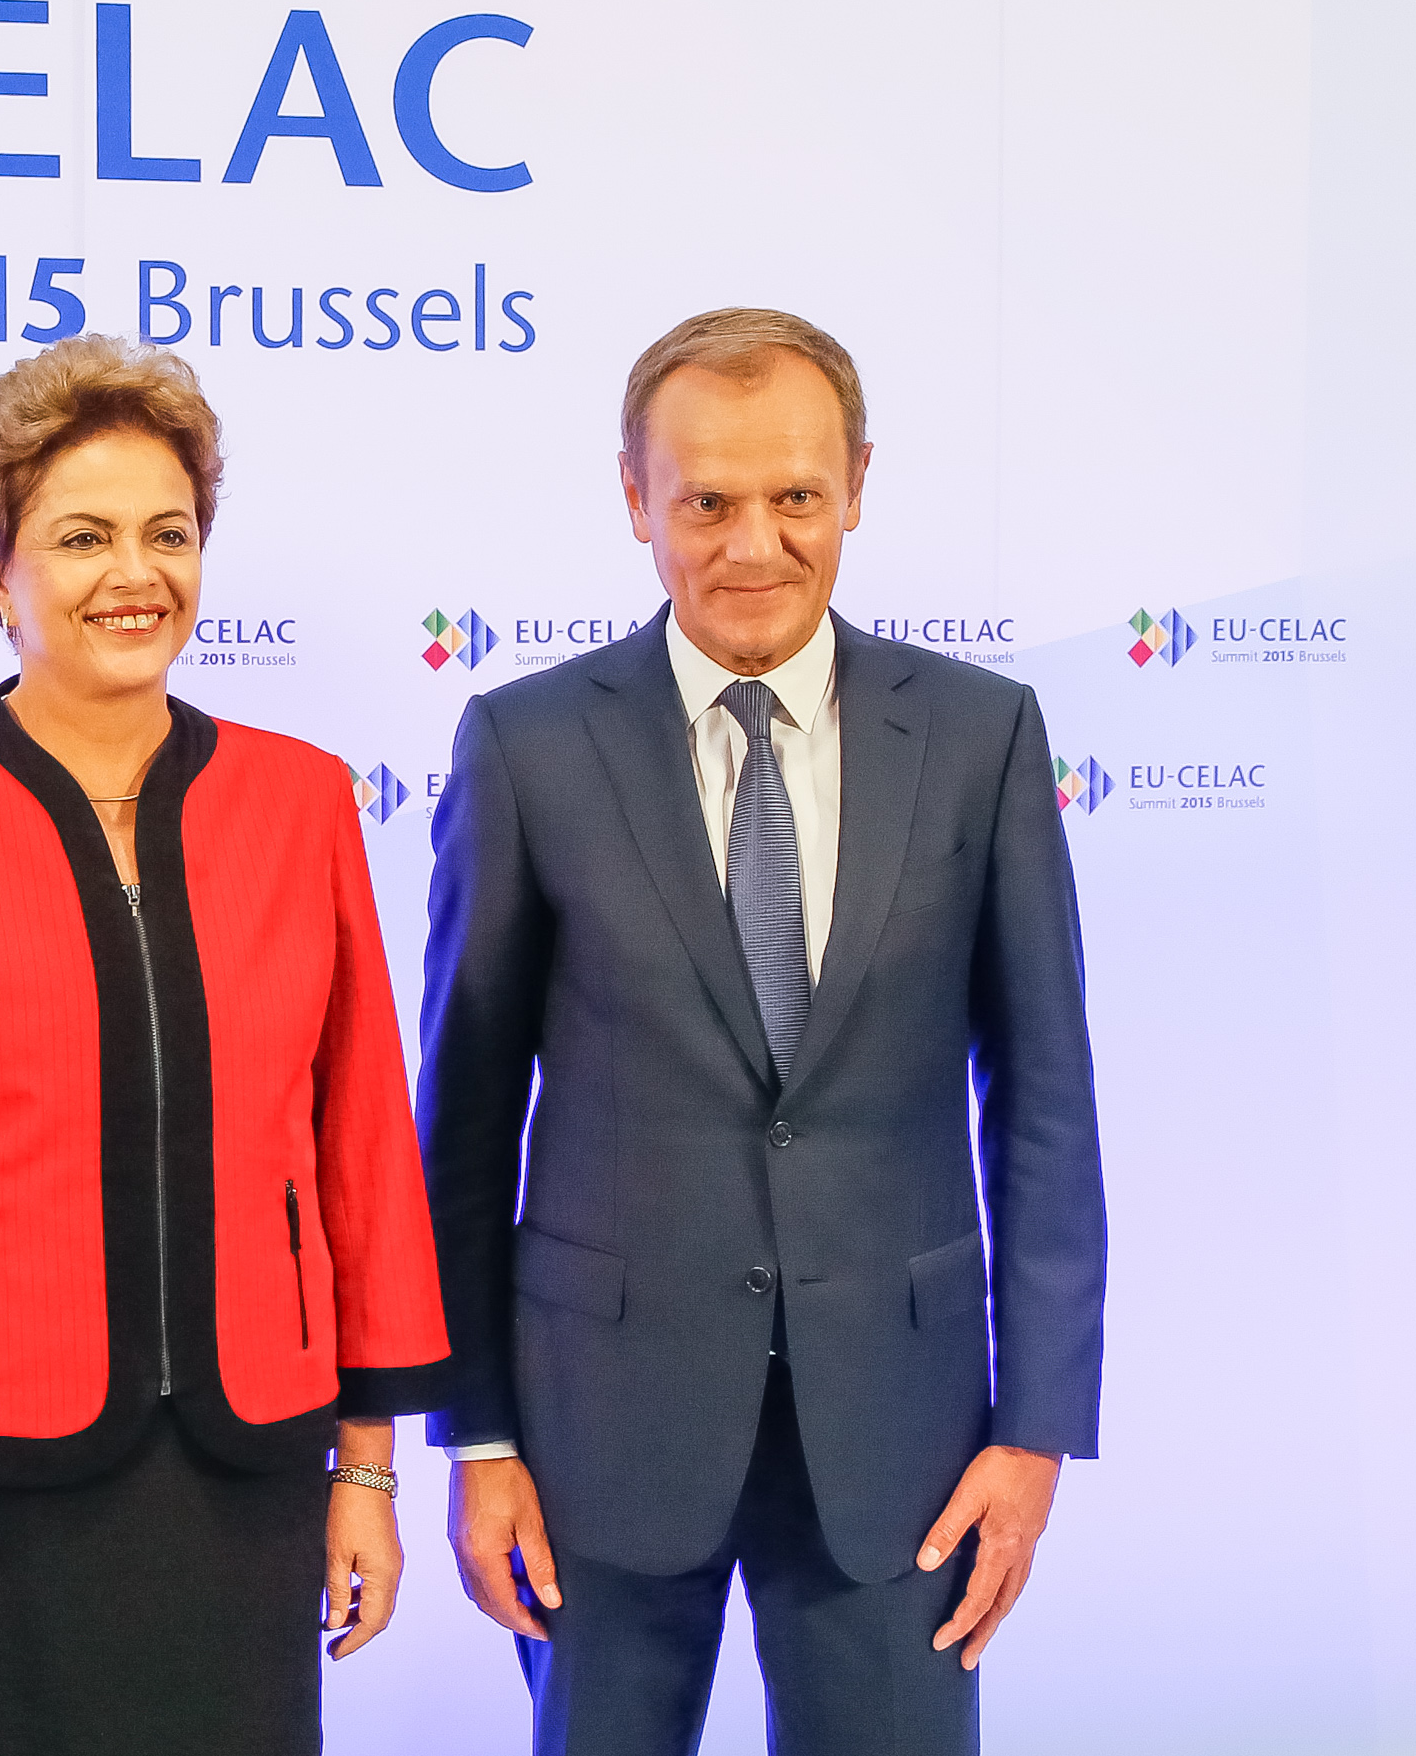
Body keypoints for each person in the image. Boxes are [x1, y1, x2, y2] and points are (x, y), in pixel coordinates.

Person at [0, 336, 451, 1755]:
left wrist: (367, 1468)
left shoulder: (303, 800)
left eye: (167, 534)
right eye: (81, 537)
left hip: (248, 1463)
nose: (135, 573)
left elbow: (362, 1141)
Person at [418, 307, 1108, 1751]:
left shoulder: (980, 736)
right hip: (598, 1431)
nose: (754, 545)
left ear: (856, 486)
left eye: (795, 496)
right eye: (707, 503)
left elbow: (1044, 1099)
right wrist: (476, 1435)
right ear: (635, 499)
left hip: (905, 1441)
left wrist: (1035, 1428)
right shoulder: (526, 745)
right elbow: (464, 1128)